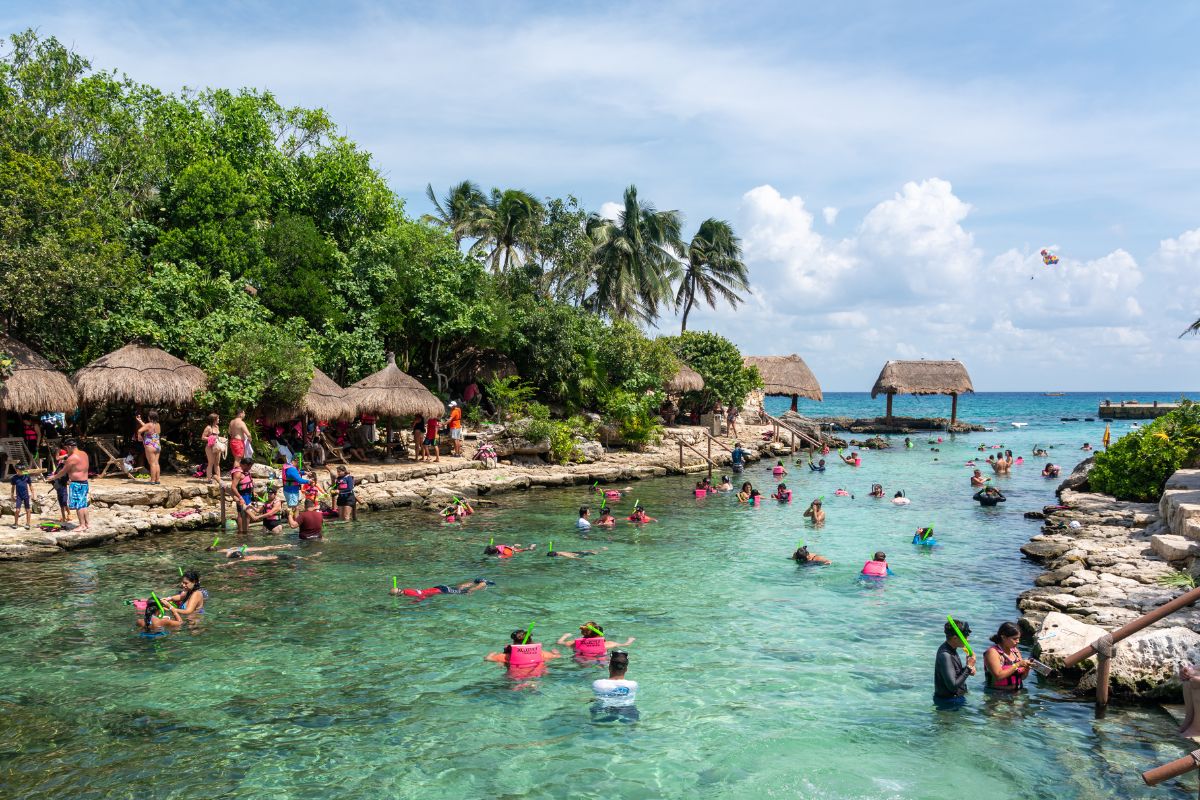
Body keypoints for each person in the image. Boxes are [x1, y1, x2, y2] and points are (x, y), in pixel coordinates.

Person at [46, 438, 90, 532]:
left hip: (77, 484)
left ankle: (82, 525)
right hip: (85, 483)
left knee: (79, 505)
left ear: (70, 447)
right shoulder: (84, 454)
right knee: (83, 504)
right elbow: (75, 464)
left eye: (66, 448)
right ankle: (87, 524)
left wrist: (53, 477)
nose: (66, 450)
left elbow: (63, 472)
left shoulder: (72, 458)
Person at [485, 629, 562, 679]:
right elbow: (558, 657)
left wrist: (492, 654)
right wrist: (555, 653)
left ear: (514, 642)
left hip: (515, 677)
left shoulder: (507, 656)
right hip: (538, 675)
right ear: (531, 641)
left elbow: (488, 659)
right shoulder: (541, 653)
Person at [934, 617, 976, 706]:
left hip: (955, 700)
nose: (967, 639)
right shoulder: (945, 655)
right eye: (965, 637)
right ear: (955, 638)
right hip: (947, 704)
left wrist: (968, 669)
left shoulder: (952, 649)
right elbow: (952, 686)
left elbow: (955, 674)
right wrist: (968, 668)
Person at [591, 650, 638, 722]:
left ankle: (594, 721)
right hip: (626, 709)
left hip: (605, 708)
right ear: (626, 669)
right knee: (633, 715)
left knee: (594, 709)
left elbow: (599, 698)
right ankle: (632, 728)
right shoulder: (633, 684)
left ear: (609, 667)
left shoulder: (598, 684)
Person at [984, 621, 1031, 692]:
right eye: (1014, 639)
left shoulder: (1015, 651)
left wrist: (1027, 668)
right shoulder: (993, 652)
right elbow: (998, 676)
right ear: (1003, 637)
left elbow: (1022, 677)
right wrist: (1017, 665)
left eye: (1019, 638)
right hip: (997, 694)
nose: (1018, 641)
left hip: (1016, 692)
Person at [558, 622, 635, 657]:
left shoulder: (574, 643)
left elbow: (560, 642)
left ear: (583, 633)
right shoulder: (607, 644)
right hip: (600, 663)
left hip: (581, 662)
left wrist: (565, 636)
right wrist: (630, 639)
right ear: (599, 634)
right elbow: (626, 645)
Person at [391, 578, 492, 599]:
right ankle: (474, 582)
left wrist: (414, 603)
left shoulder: (409, 594)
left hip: (442, 590)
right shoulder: (407, 590)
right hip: (439, 588)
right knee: (458, 588)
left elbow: (422, 596)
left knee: (467, 592)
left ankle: (483, 583)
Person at [229, 458, 256, 535]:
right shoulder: (238, 473)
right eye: (249, 467)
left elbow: (249, 482)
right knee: (241, 513)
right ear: (244, 465)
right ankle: (240, 532)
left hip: (248, 495)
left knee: (248, 513)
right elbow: (233, 487)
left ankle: (246, 530)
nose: (250, 468)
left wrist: (253, 492)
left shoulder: (246, 471)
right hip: (242, 495)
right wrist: (240, 497)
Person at [134, 411, 163, 484]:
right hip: (157, 445)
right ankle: (157, 480)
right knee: (156, 463)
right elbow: (147, 427)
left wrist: (139, 436)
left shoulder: (148, 425)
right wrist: (140, 421)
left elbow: (140, 430)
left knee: (152, 463)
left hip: (150, 446)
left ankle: (152, 480)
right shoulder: (158, 425)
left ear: (150, 417)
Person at [201, 413, 222, 483]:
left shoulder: (217, 427)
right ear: (214, 419)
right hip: (210, 447)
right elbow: (203, 437)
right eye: (218, 418)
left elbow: (217, 437)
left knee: (217, 463)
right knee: (211, 463)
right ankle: (209, 479)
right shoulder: (208, 427)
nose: (219, 419)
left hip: (217, 447)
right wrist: (211, 438)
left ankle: (218, 479)